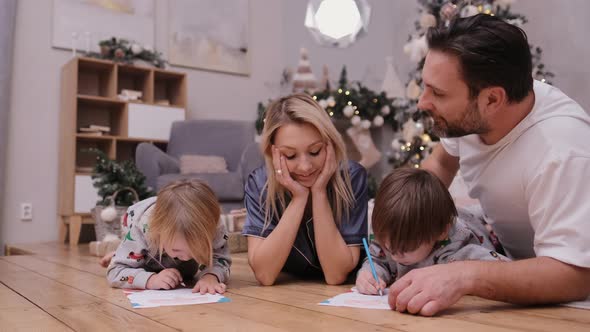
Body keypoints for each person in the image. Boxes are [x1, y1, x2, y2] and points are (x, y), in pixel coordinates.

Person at [388, 14, 590, 316]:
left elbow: (577, 275)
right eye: (425, 87)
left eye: (439, 93)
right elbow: (441, 164)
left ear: (493, 100)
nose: (422, 102)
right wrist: (399, 218)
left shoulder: (563, 151)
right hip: (511, 271)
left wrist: (464, 275)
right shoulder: (472, 114)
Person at [242, 93, 368, 285]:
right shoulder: (259, 183)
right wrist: (299, 198)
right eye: (290, 155)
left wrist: (319, 193)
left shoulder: (351, 177)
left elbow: (336, 275)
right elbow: (264, 275)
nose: (305, 167)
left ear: (330, 144)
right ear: (272, 151)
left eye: (315, 151)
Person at [356, 168, 508, 295]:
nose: (395, 256)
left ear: (441, 233)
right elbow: (377, 260)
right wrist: (368, 275)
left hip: (475, 223)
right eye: (388, 247)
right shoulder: (390, 234)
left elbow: (504, 271)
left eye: (405, 248)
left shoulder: (461, 252)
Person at [107, 179, 231, 294]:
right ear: (158, 233)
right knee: (138, 261)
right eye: (176, 250)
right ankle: (124, 253)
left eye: (197, 250)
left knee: (188, 269)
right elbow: (115, 273)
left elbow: (221, 259)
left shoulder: (214, 227)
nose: (187, 257)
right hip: (144, 245)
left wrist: (211, 276)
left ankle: (122, 253)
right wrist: (151, 280)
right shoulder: (141, 230)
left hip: (163, 254)